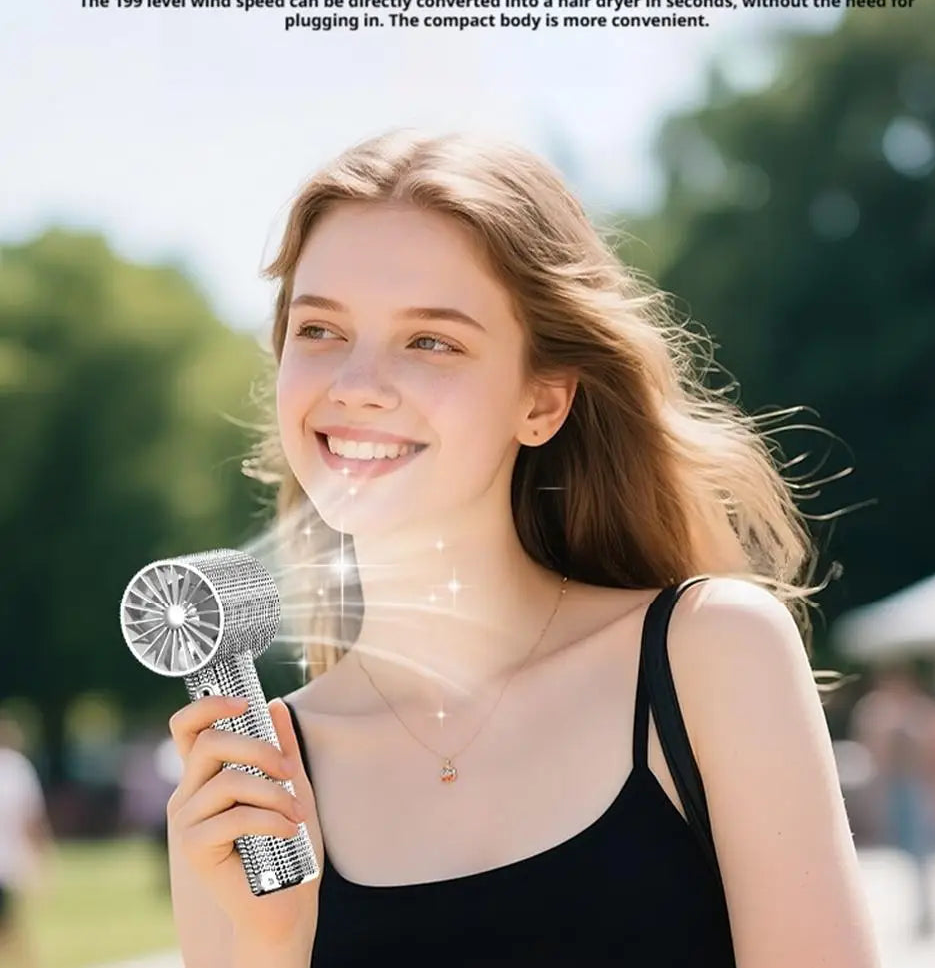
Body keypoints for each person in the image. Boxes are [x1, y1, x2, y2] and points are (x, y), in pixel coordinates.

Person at [165, 128, 881, 967]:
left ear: (541, 402)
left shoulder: (708, 653)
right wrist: (267, 945)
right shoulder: (247, 792)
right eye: (319, 329)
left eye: (430, 339)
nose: (354, 385)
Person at [849, 660, 935, 938]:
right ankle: (925, 912)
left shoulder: (922, 713)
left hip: (918, 787)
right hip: (899, 788)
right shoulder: (881, 712)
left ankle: (928, 912)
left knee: (922, 849)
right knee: (912, 850)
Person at [0, 712, 52, 968]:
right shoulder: (16, 768)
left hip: (7, 864)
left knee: (9, 929)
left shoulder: (15, 768)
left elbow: (30, 818)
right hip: (9, 862)